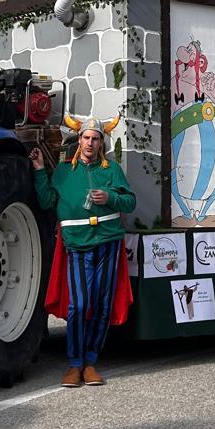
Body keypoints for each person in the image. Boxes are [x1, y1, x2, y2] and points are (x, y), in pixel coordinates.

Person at [30, 115, 135, 387]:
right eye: (86, 137)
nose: (90, 143)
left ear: (102, 142)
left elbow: (130, 202)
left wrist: (110, 197)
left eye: (96, 138)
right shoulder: (65, 171)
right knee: (79, 305)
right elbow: (47, 201)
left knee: (101, 305)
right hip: (77, 243)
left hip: (108, 243)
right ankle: (74, 364)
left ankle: (90, 362)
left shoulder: (111, 170)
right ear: (79, 140)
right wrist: (40, 170)